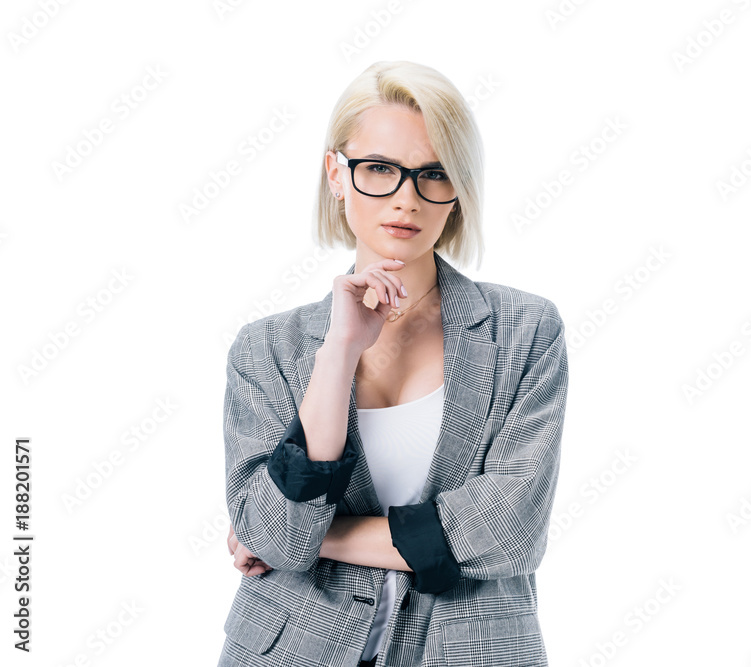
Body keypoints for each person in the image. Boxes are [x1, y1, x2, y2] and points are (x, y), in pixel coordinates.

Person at [218, 60, 569, 667]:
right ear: (336, 173)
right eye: (379, 169)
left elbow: (508, 531)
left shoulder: (525, 331)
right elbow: (271, 532)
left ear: (458, 190)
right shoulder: (267, 349)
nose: (406, 200)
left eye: (434, 174)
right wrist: (338, 354)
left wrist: (314, 539)